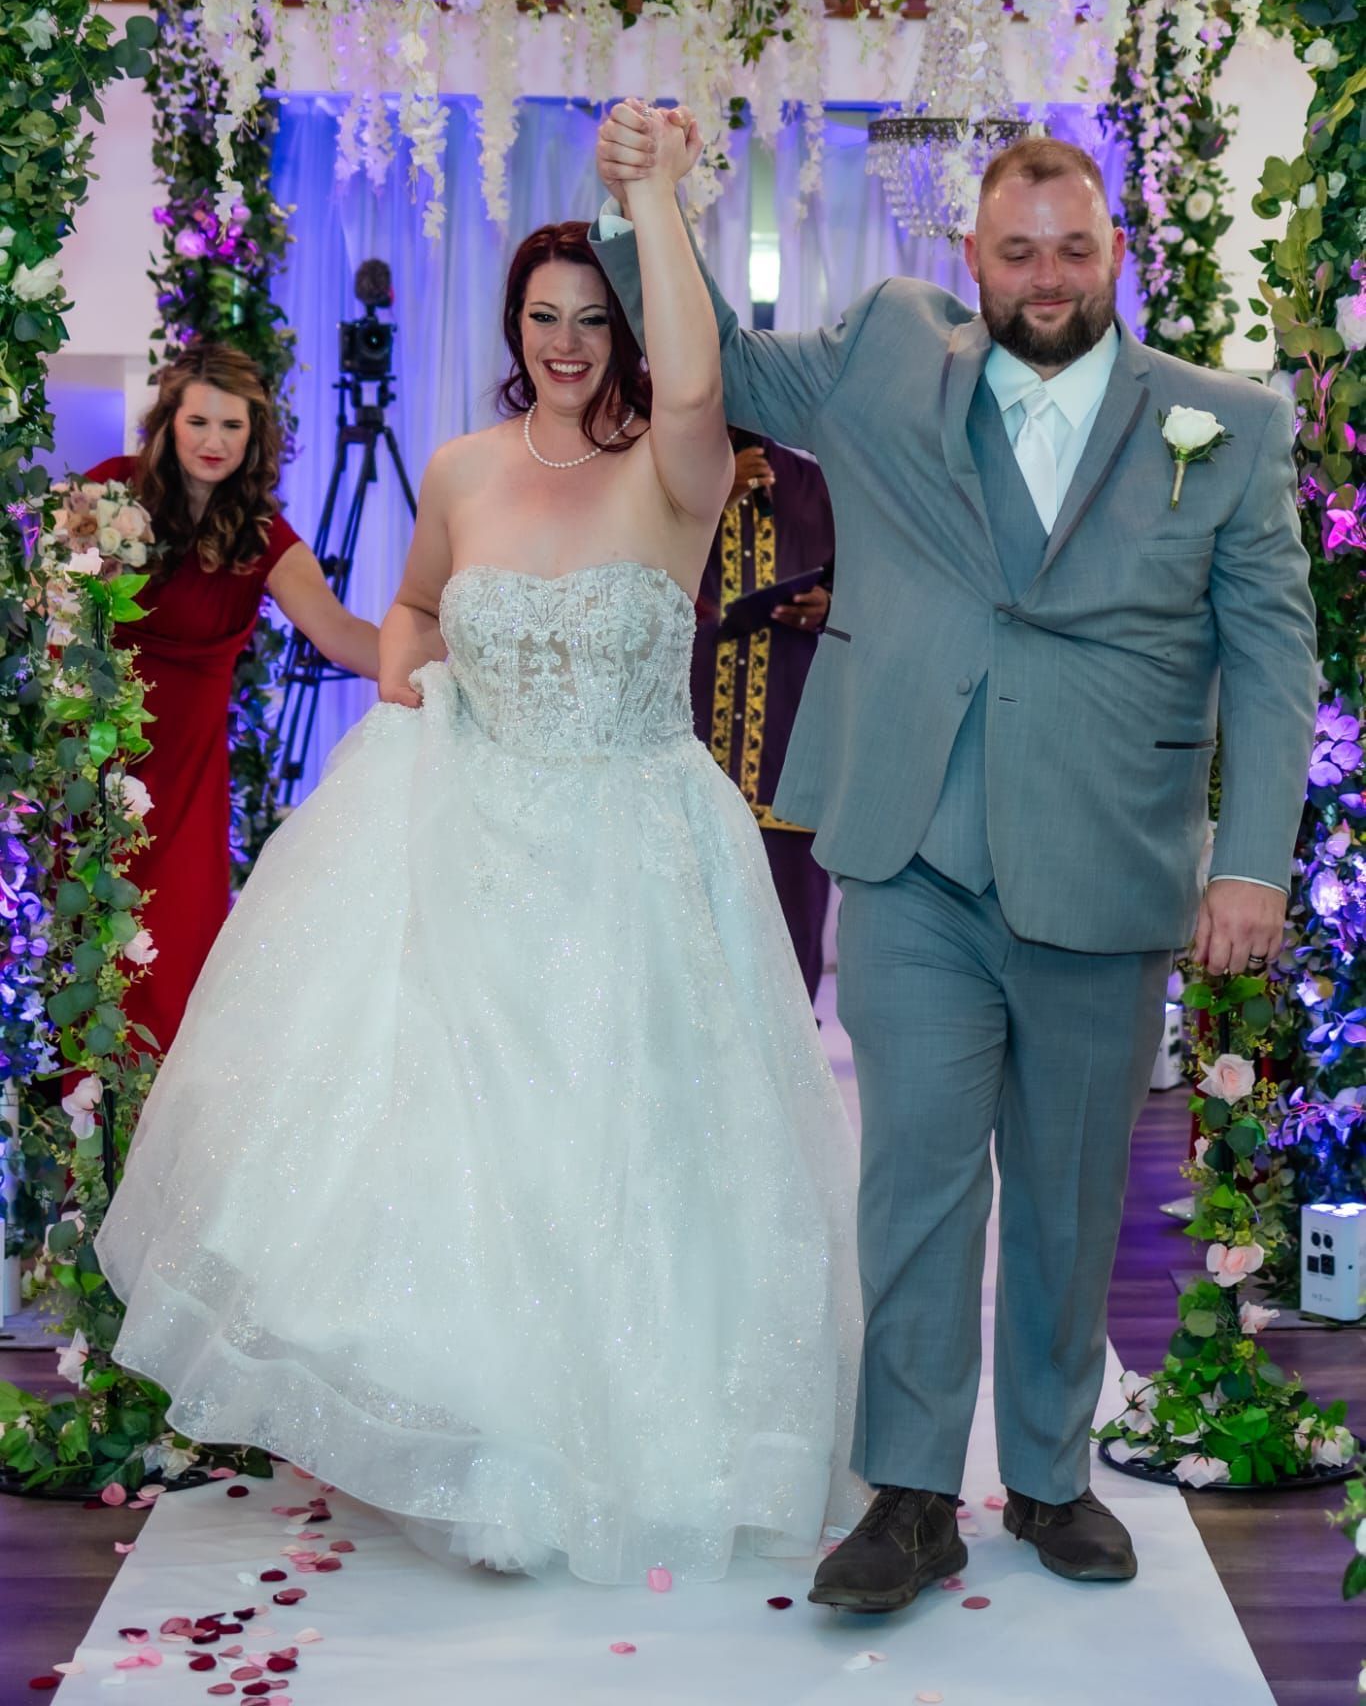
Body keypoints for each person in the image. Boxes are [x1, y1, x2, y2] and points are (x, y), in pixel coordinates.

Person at [96, 167, 862, 1585]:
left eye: (590, 317)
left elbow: (693, 383)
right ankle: (476, 1439)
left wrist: (658, 199)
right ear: (509, 324)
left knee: (626, 1151)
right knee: (458, 1146)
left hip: (634, 848)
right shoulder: (456, 466)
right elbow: (412, 608)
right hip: (468, 830)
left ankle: (626, 1433)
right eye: (539, 315)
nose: (564, 342)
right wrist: (408, 684)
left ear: (626, 330)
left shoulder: (677, 467)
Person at [594, 110, 1318, 1610]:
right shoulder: (878, 359)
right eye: (1014, 250)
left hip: (1106, 864)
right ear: (968, 257)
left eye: (1071, 247)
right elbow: (704, 356)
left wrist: (1249, 864)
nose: (1043, 275)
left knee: (1064, 1193)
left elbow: (1269, 660)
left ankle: (1049, 1479)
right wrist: (640, 198)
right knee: (914, 1180)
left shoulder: (1227, 425)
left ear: (1114, 251)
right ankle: (911, 1494)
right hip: (910, 846)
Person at [86, 345, 379, 1054]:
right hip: (90, 773)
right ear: (168, 423)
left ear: (256, 437)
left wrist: (459, 661)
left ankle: (152, 1162)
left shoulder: (262, 534)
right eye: (198, 422)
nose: (214, 442)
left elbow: (340, 633)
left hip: (185, 789)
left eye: (233, 427)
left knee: (173, 971)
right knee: (84, 969)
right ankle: (76, 1158)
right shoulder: (106, 493)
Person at [692, 430, 835, 998]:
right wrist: (711, 499)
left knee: (788, 942)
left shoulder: (817, 486)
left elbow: (885, 589)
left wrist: (831, 604)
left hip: (790, 756)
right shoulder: (660, 481)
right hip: (687, 760)